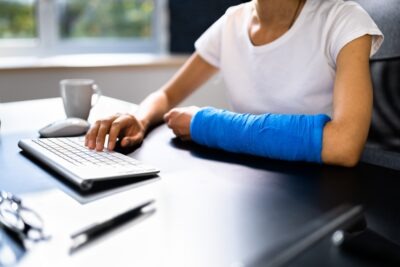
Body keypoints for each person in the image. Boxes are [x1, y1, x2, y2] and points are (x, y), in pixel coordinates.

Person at [85, 0, 383, 167]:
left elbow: (344, 146)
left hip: (324, 196)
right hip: (250, 181)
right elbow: (166, 94)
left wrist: (208, 124)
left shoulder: (345, 21)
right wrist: (138, 117)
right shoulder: (232, 22)